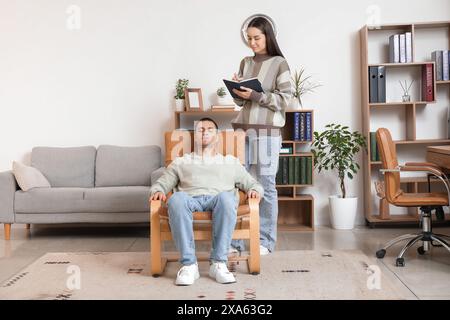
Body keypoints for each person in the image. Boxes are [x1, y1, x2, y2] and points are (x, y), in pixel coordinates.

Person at [150, 118, 264, 286]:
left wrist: (255, 190)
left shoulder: (230, 162)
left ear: (217, 136)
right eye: (200, 130)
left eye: (209, 129)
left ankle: (218, 263)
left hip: (219, 201)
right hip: (189, 201)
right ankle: (189, 265)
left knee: (227, 198)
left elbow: (254, 184)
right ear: (195, 137)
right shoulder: (181, 162)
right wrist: (158, 191)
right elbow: (160, 184)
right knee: (176, 200)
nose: (204, 132)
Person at [230, 17, 294, 255]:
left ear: (268, 36)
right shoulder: (245, 62)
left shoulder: (280, 63)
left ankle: (265, 241)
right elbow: (240, 101)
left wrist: (256, 96)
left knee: (265, 185)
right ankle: (235, 241)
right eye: (249, 38)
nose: (252, 42)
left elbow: (286, 99)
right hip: (242, 130)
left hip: (267, 133)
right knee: (237, 184)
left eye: (256, 37)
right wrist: (237, 91)